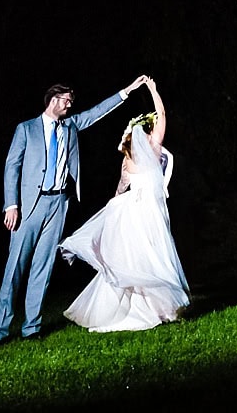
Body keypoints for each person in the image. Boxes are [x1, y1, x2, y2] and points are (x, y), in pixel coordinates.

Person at [0, 77, 146, 344]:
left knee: (43, 267)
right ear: (54, 100)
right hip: (29, 207)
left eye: (72, 101)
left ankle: (31, 328)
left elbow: (96, 113)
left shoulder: (71, 126)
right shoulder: (26, 129)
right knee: (15, 267)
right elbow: (11, 167)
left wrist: (126, 92)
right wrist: (11, 205)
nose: (70, 105)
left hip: (58, 204)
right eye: (67, 101)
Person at [59, 73, 189, 330]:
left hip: (136, 210)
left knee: (138, 258)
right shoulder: (154, 148)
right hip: (151, 210)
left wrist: (115, 203)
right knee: (155, 256)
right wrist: (153, 89)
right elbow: (162, 115)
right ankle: (160, 309)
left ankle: (149, 307)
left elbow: (121, 187)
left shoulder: (128, 160)